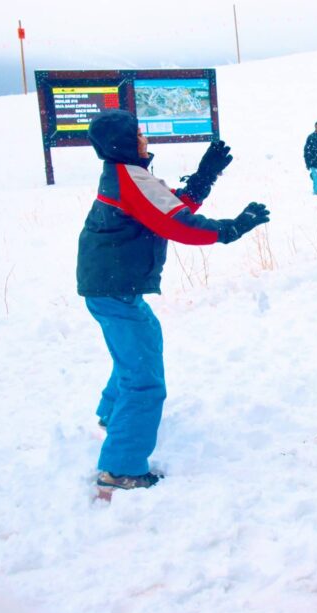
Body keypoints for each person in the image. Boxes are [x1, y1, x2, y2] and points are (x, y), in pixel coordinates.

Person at [78, 109, 269, 493]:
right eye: (138, 134)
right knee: (145, 379)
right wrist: (230, 229)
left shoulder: (127, 175)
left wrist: (204, 176)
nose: (145, 138)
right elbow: (176, 224)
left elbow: (168, 208)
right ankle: (121, 468)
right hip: (112, 288)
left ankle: (113, 414)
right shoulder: (129, 178)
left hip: (110, 285)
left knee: (144, 343)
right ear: (124, 142)